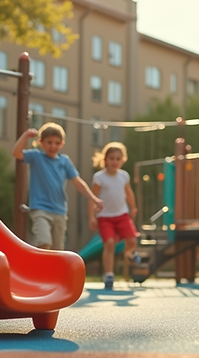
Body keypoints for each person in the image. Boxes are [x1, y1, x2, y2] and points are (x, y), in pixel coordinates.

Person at [12, 122, 103, 251]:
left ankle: (52, 271)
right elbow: (16, 153)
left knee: (57, 249)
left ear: (62, 144)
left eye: (56, 143)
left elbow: (78, 183)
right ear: (41, 142)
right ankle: (41, 270)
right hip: (40, 209)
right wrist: (26, 136)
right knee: (44, 242)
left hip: (59, 211)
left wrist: (94, 199)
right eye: (49, 142)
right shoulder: (36, 157)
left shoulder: (64, 161)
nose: (53, 146)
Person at [89, 142, 141, 290]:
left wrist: (133, 207)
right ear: (105, 159)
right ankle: (109, 275)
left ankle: (130, 254)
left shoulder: (124, 176)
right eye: (111, 158)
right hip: (105, 216)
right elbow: (93, 197)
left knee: (131, 240)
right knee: (109, 243)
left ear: (122, 160)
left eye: (118, 159)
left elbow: (129, 193)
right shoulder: (99, 177)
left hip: (122, 214)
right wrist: (92, 216)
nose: (114, 161)